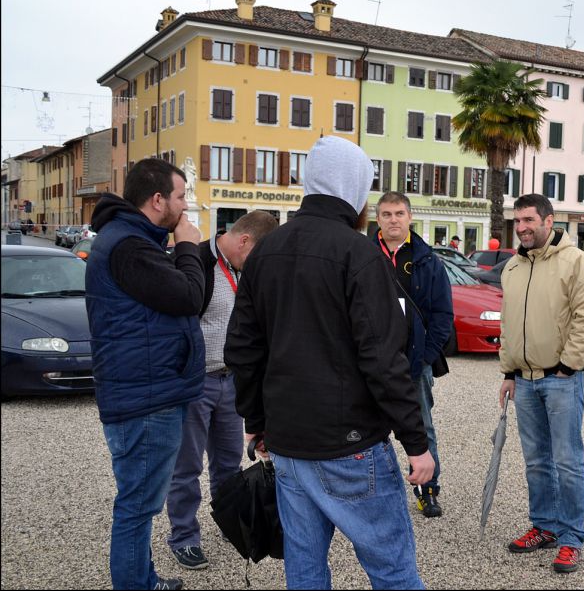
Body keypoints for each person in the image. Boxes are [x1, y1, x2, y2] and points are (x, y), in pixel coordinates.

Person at [224, 135, 434, 590]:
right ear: (356, 189)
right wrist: (416, 440)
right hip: (350, 443)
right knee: (392, 568)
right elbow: (382, 358)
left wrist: (257, 421)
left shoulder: (266, 253)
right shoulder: (359, 254)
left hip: (289, 445)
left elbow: (243, 349)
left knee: (304, 571)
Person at [85, 157, 205, 591]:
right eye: (180, 196)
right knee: (137, 505)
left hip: (145, 392)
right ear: (157, 200)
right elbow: (189, 296)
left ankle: (143, 579)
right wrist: (189, 246)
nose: (185, 206)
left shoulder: (129, 240)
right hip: (146, 398)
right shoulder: (129, 246)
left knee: (139, 502)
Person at [498, 193, 584, 575]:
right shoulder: (512, 267)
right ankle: (544, 525)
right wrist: (508, 372)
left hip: (560, 381)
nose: (523, 227)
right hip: (524, 383)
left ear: (548, 220)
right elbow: (508, 325)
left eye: (529, 219)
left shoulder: (576, 262)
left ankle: (572, 536)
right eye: (518, 220)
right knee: (537, 462)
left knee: (568, 461)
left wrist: (568, 365)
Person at [165, 211, 279, 570]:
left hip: (232, 382)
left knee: (228, 465)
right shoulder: (195, 260)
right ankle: (184, 537)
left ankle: (231, 524)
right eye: (255, 254)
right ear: (243, 241)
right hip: (194, 383)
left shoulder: (247, 270)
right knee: (185, 467)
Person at [374, 191, 454, 518]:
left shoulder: (427, 260)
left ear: (409, 218)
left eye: (399, 214)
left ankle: (428, 489)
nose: (393, 220)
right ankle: (373, 493)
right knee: (371, 431)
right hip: (372, 363)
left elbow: (442, 315)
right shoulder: (363, 256)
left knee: (422, 427)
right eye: (387, 214)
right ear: (377, 220)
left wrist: (424, 356)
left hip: (414, 364)